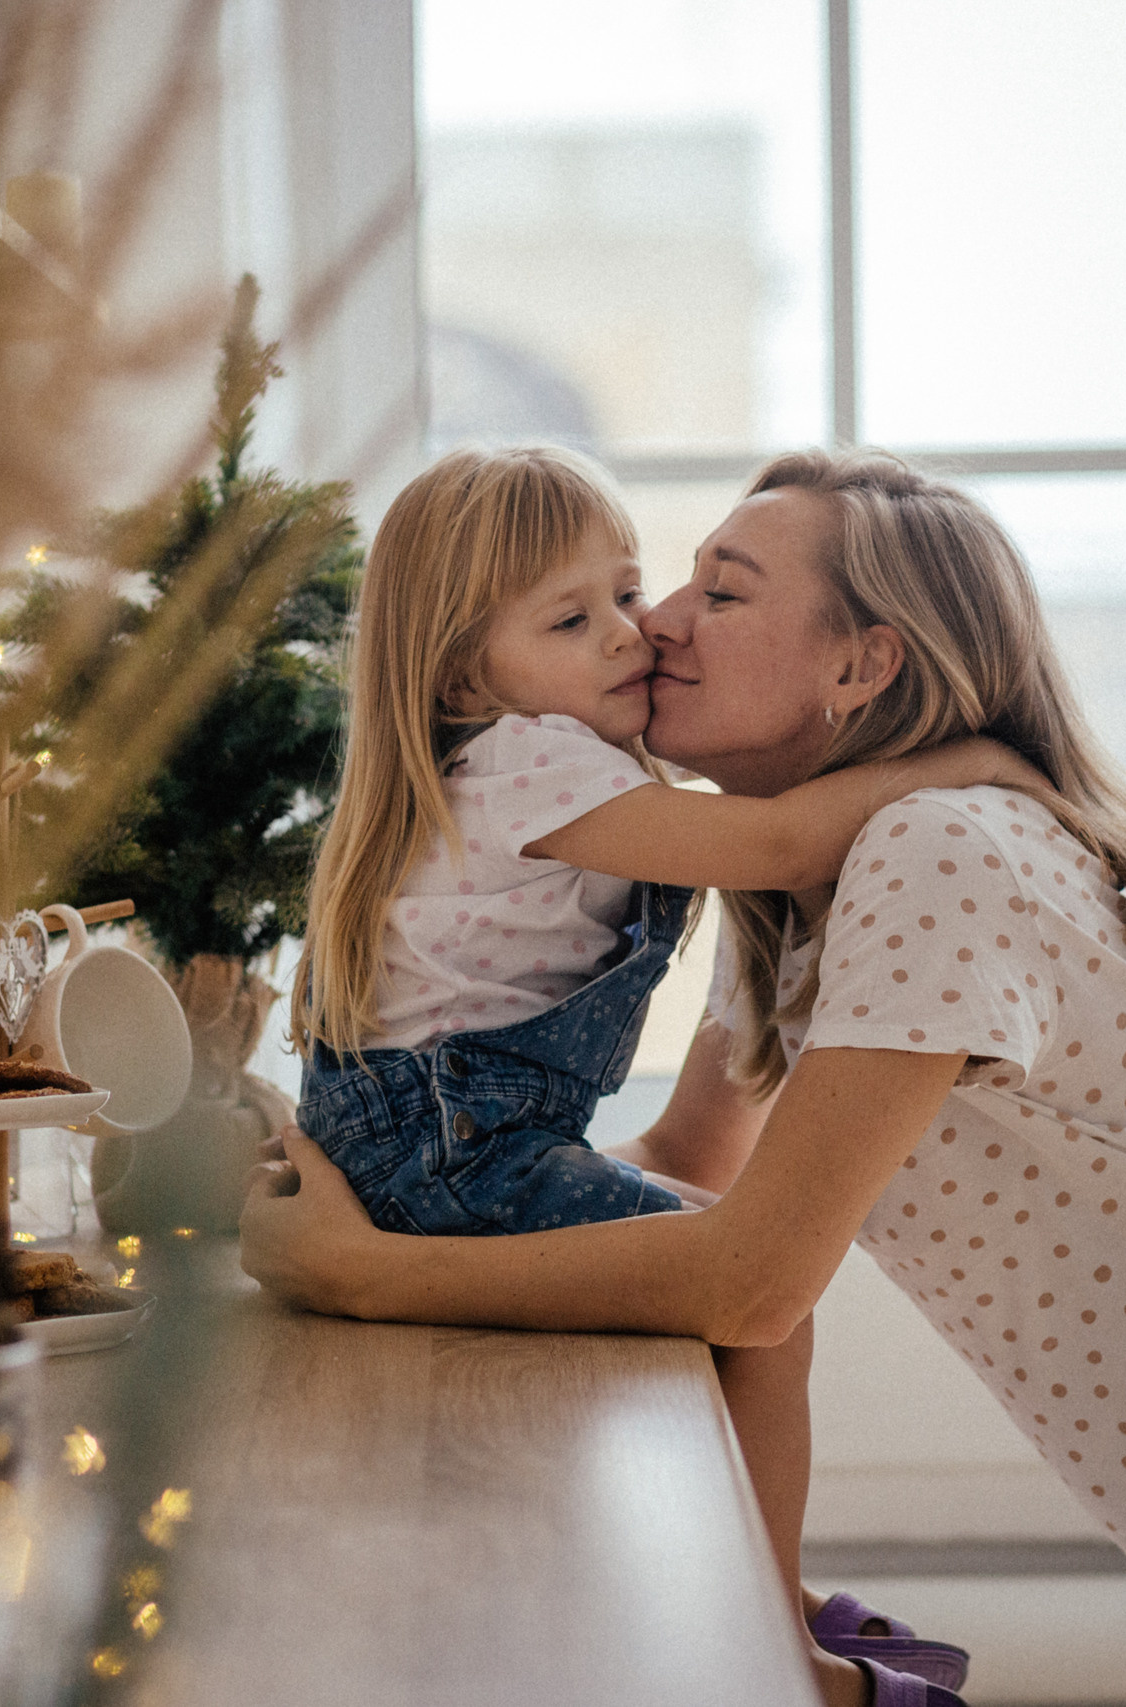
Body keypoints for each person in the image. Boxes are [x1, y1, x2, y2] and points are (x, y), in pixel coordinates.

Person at [246, 448, 1126, 1707]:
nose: (660, 626)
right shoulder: (787, 889)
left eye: (720, 591)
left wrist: (369, 1271)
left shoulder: (929, 850)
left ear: (861, 664)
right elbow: (699, 1157)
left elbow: (751, 1284)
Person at [287, 445, 1035, 1684]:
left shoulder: (534, 767)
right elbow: (783, 840)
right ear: (470, 670)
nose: (633, 637)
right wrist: (973, 764)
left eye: (625, 596)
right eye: (573, 620)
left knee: (712, 1253)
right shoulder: (533, 759)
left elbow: (695, 1136)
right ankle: (773, 1634)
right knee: (769, 1320)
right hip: (451, 1148)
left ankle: (758, 1588)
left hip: (448, 1142)